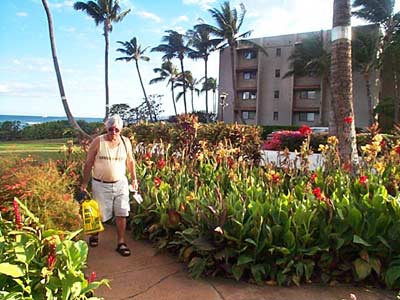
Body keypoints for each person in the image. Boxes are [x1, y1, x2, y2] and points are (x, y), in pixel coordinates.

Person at [80, 115, 138, 257]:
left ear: (121, 130)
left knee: (122, 212)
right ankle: (95, 235)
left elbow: (130, 161)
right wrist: (84, 183)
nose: (113, 132)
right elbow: (88, 163)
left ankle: (121, 242)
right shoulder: (98, 142)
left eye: (116, 130)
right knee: (98, 213)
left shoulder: (125, 142)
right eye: (110, 129)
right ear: (107, 129)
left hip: (121, 184)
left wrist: (134, 179)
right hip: (101, 184)